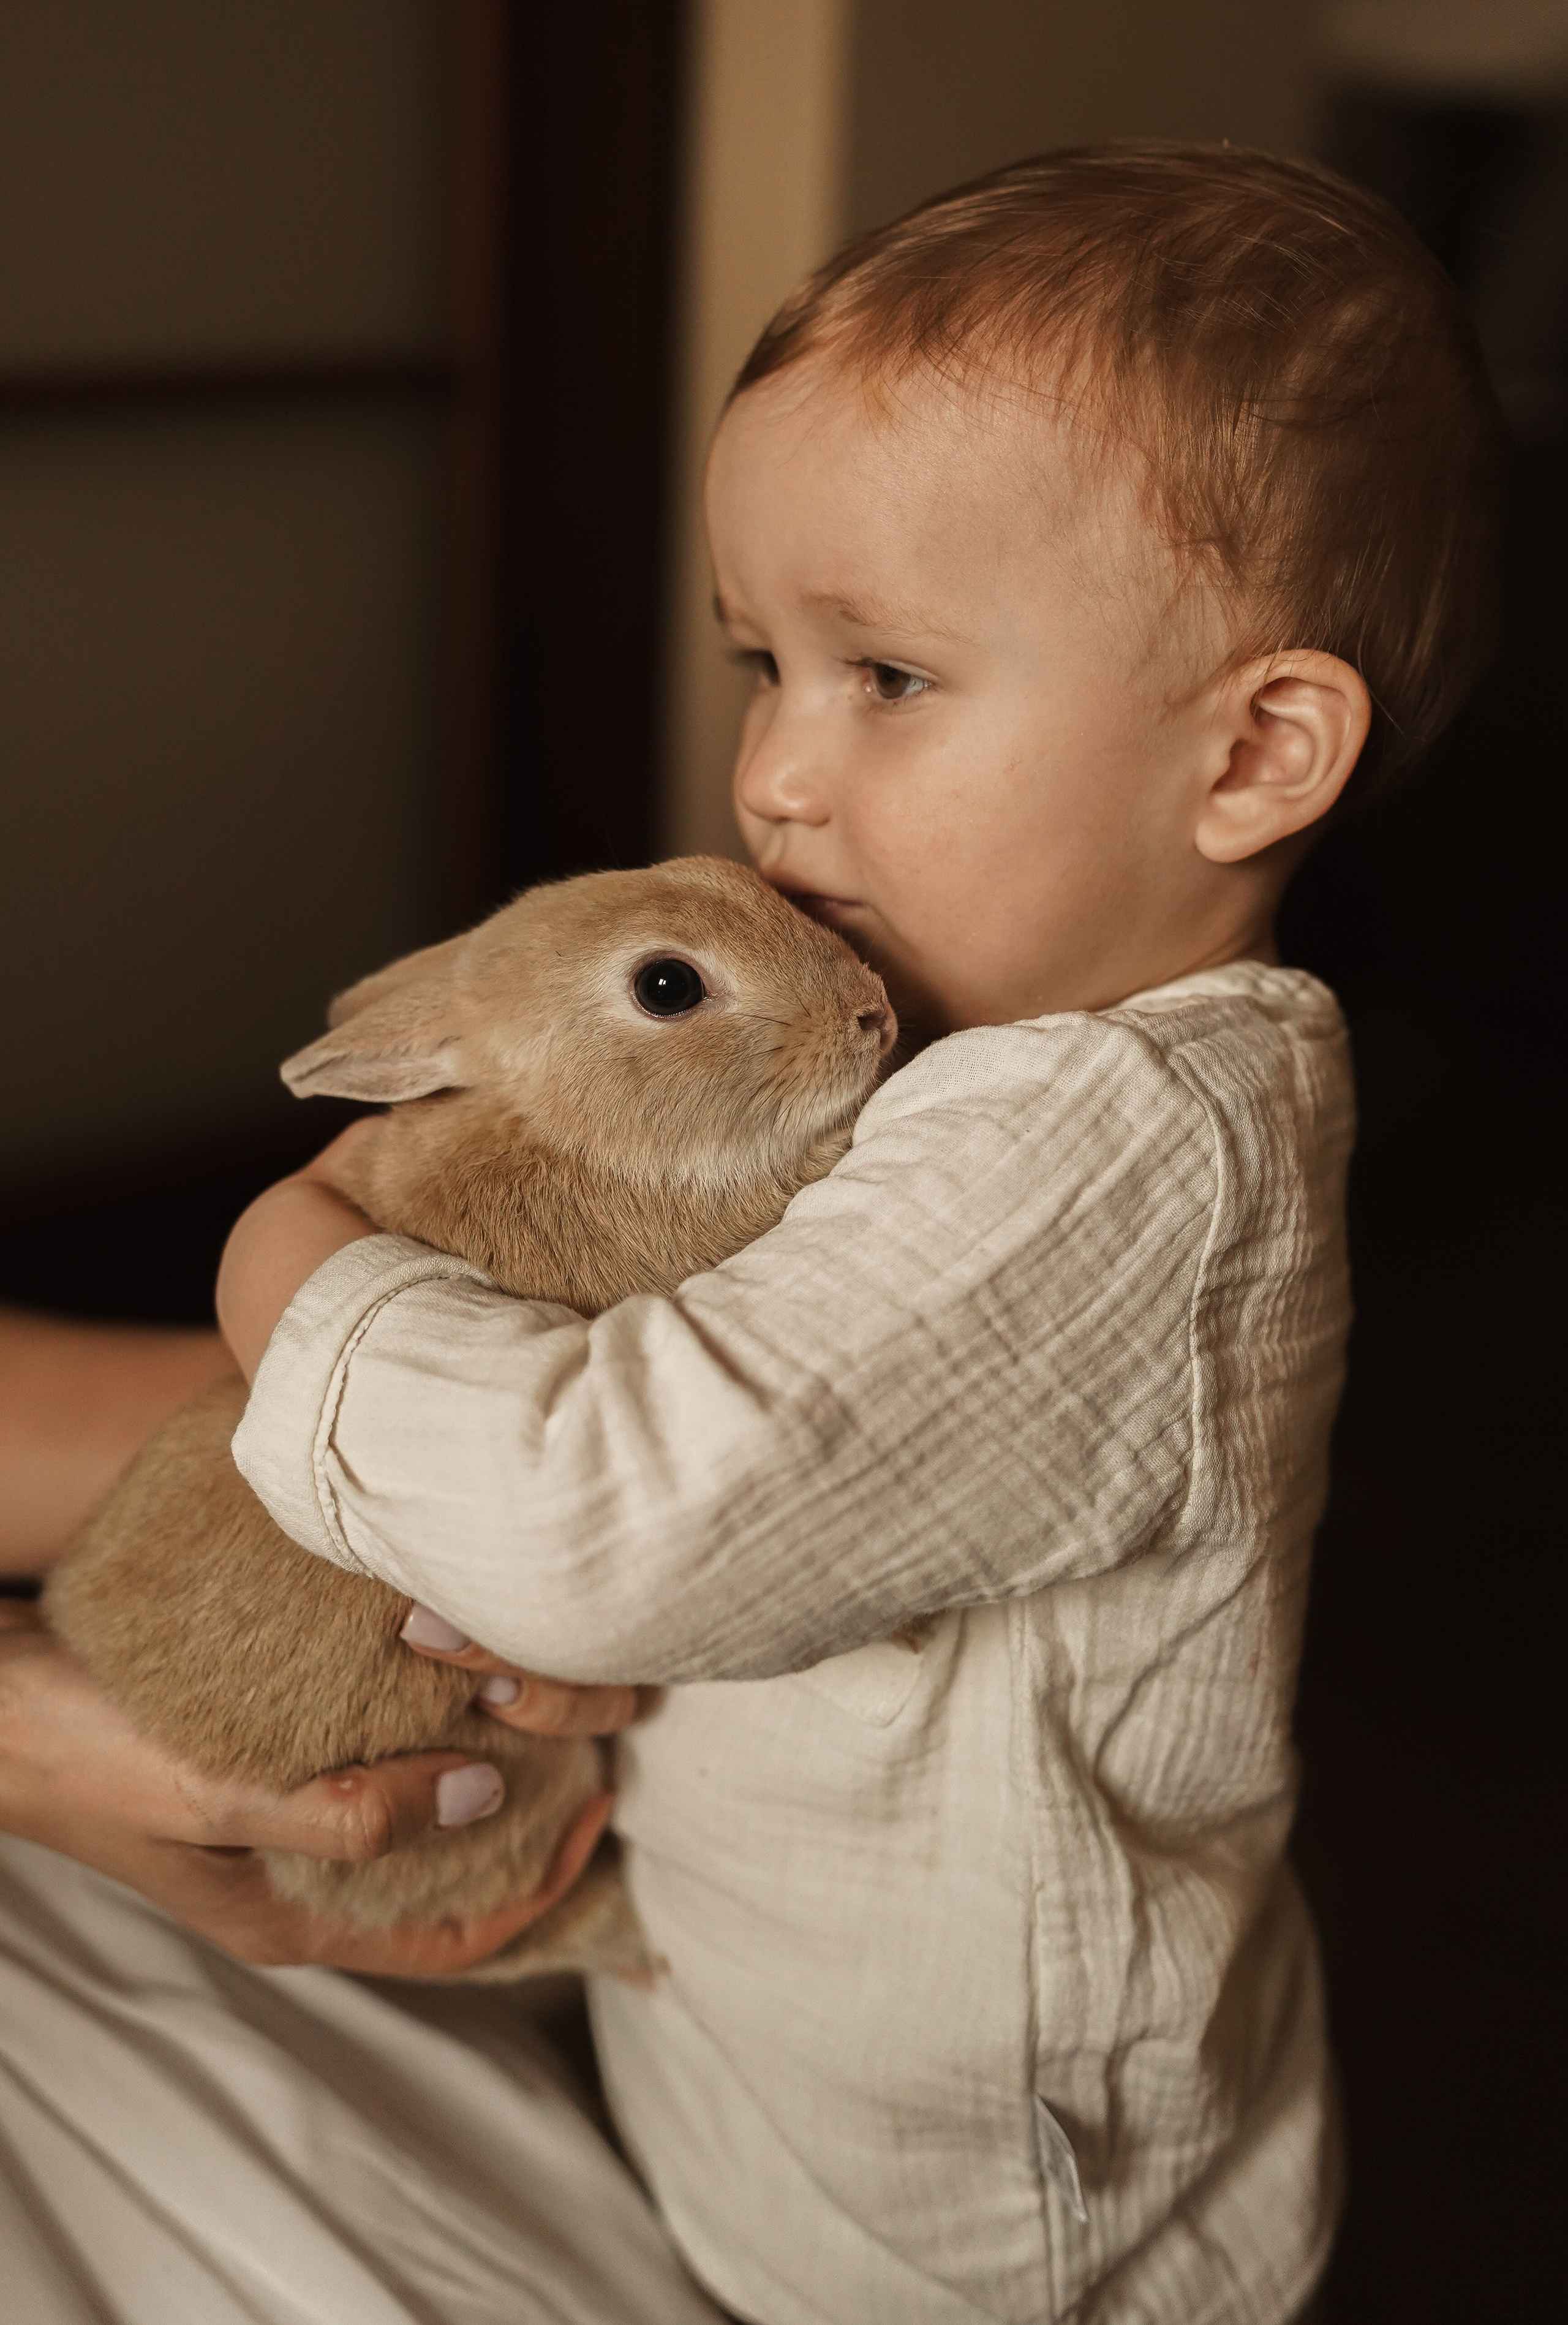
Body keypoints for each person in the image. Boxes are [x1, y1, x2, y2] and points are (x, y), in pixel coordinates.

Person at [0, 144, 1503, 2323]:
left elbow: (606, 1525)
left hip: (991, 2221)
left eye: (885, 674)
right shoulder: (1010, 1064)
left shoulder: (1117, 1146)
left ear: (1259, 750)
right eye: (761, 663)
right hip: (766, 2049)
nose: (778, 773)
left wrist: (300, 1265)